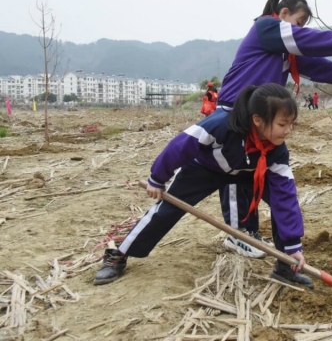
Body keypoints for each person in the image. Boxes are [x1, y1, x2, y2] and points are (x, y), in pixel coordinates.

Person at [93, 84, 314, 287]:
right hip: (205, 169)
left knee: (280, 204)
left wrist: (294, 245)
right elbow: (181, 145)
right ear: (257, 120)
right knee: (167, 209)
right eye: (282, 124)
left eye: (291, 124)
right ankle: (119, 254)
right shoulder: (221, 125)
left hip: (247, 172)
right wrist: (158, 178)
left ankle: (286, 265)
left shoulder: (278, 150)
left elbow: (285, 196)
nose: (288, 131)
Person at [215, 0, 332, 257]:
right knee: (234, 173)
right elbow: (304, 40)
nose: (299, 30)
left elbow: (313, 64)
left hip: (262, 119)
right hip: (234, 111)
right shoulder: (266, 27)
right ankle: (237, 234)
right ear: (284, 14)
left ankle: (251, 233)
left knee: (253, 172)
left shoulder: (286, 48)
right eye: (297, 22)